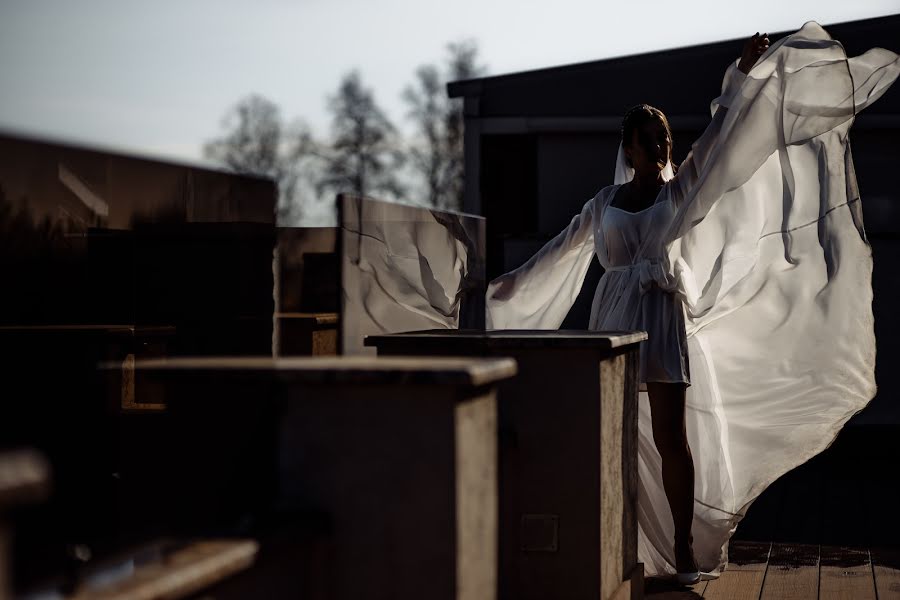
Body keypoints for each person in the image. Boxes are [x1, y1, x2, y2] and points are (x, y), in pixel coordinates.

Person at [486, 22, 899, 582]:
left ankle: (682, 544)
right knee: (612, 436)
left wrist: (744, 75)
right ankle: (616, 541)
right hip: (610, 320)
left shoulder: (681, 191)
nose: (659, 147)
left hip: (660, 314)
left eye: (662, 140)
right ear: (628, 148)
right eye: (647, 141)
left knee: (669, 437)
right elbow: (555, 257)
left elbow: (727, 137)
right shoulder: (602, 204)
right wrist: (496, 291)